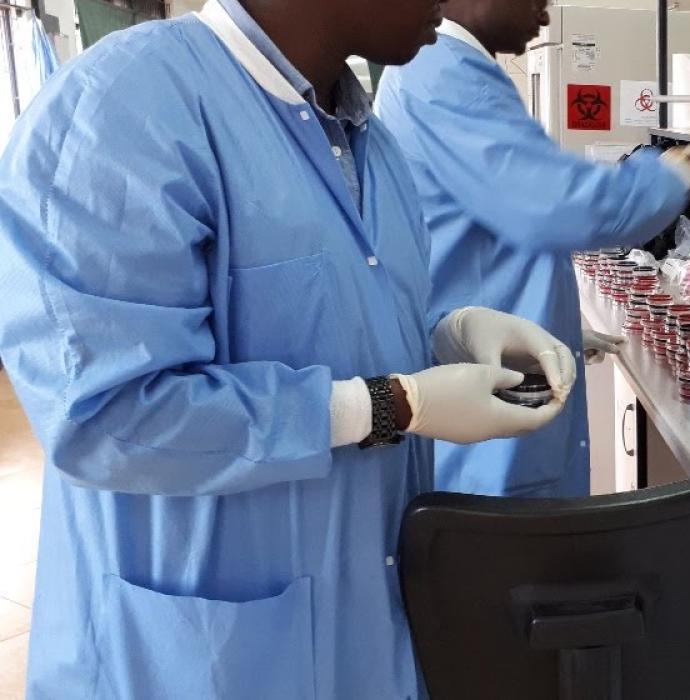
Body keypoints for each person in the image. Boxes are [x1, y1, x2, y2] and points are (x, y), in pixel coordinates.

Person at [0, 0, 577, 697]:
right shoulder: (121, 110)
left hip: (363, 629)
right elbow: (108, 417)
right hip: (200, 655)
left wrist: (446, 335)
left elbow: (330, 328)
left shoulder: (371, 143)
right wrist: (393, 405)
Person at [375, 0, 690, 498]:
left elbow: (484, 232)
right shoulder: (442, 71)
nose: (546, 17)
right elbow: (561, 205)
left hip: (495, 363)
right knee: (506, 556)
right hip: (488, 419)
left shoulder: (446, 70)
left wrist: (556, 328)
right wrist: (686, 165)